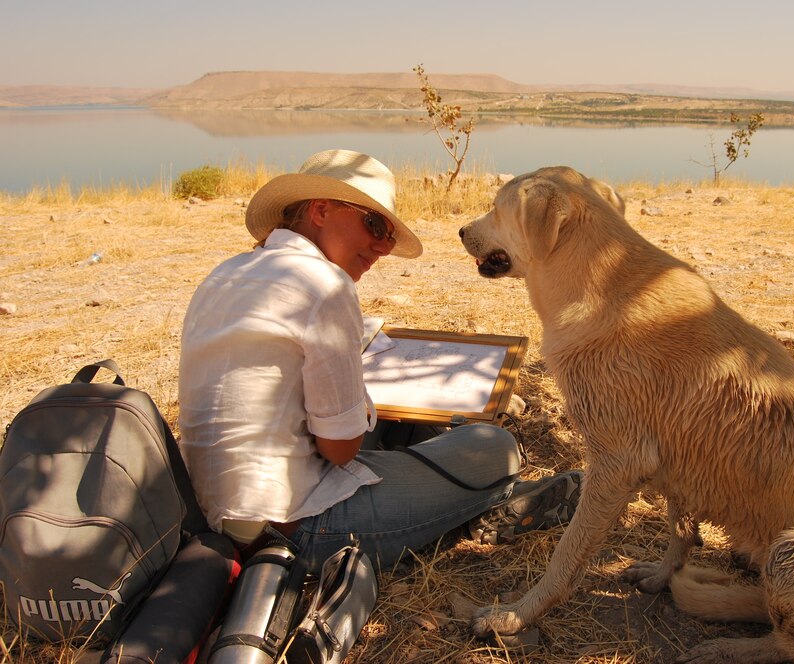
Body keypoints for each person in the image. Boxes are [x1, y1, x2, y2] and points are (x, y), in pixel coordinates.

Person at [177, 149, 582, 572]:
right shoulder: (323, 284)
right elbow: (339, 449)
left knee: (407, 428)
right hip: (293, 527)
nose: (381, 247)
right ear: (320, 210)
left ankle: (456, 506)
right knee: (496, 449)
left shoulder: (227, 271)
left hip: (214, 514)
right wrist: (364, 401)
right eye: (374, 225)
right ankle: (476, 511)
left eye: (388, 236)